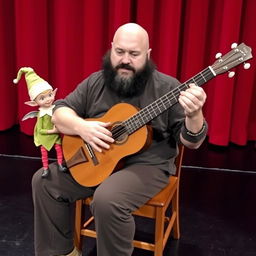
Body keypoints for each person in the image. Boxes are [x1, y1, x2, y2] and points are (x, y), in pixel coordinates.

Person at [32, 23, 208, 256]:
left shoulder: (168, 88)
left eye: (134, 54)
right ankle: (60, 252)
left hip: (148, 166)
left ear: (148, 55)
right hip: (100, 159)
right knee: (45, 182)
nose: (125, 60)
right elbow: (60, 112)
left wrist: (194, 114)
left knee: (107, 200)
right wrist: (82, 127)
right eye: (120, 52)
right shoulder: (96, 81)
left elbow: (192, 142)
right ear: (111, 49)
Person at [13, 67, 67, 177]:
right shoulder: (41, 115)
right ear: (34, 103)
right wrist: (52, 131)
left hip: (55, 134)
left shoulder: (55, 108)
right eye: (42, 98)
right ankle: (45, 168)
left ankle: (61, 164)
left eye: (50, 95)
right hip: (45, 135)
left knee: (59, 149)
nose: (48, 99)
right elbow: (40, 130)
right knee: (44, 153)